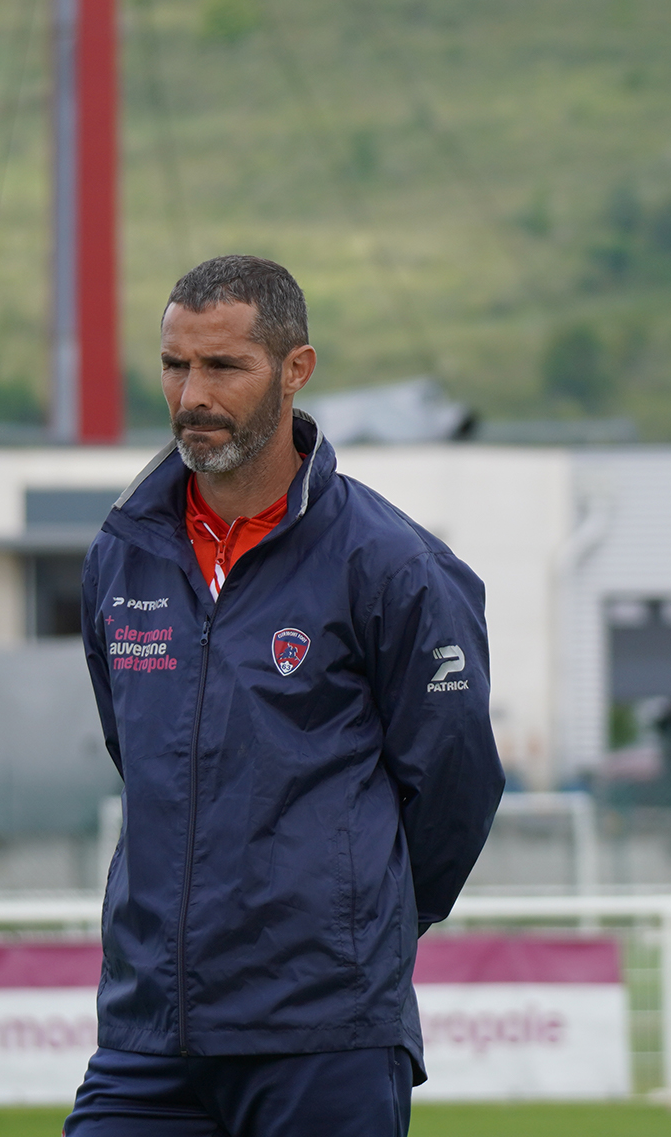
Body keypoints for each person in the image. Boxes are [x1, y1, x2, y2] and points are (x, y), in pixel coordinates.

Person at [65, 255, 505, 1137]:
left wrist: (351, 922)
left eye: (223, 366)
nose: (192, 392)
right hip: (152, 1031)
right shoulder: (122, 552)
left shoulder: (394, 565)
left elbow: (454, 786)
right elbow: (141, 758)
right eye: (174, 364)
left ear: (296, 371)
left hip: (322, 1033)